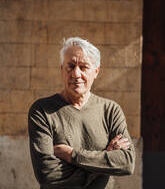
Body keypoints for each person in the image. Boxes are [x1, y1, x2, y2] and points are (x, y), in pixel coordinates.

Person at [28, 37, 135, 189]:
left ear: (96, 71)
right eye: (70, 66)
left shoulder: (111, 110)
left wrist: (72, 155)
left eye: (83, 67)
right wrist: (104, 161)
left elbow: (127, 163)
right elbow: (47, 174)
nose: (76, 74)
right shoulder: (42, 110)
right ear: (61, 69)